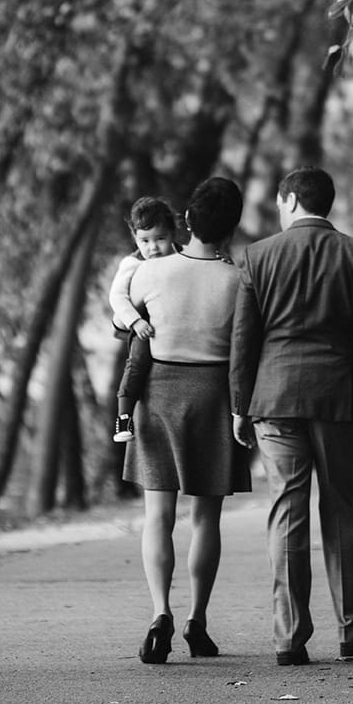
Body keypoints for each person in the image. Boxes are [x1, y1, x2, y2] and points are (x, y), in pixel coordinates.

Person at [229, 165, 353, 666]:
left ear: (288, 201)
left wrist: (240, 406)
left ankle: (289, 638)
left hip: (276, 400)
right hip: (337, 401)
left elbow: (243, 340)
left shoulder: (257, 257)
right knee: (340, 510)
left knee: (287, 513)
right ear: (325, 204)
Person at [119, 176, 251, 664]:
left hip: (159, 396)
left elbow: (122, 324)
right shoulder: (238, 280)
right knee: (206, 518)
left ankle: (160, 614)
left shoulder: (147, 273)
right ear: (230, 226)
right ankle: (197, 620)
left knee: (158, 515)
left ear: (187, 221)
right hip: (215, 396)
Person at [108, 197, 179, 442]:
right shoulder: (132, 263)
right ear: (135, 239)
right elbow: (117, 296)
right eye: (144, 241)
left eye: (160, 239)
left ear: (172, 234)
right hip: (144, 325)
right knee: (138, 361)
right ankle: (124, 416)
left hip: (175, 321)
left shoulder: (181, 257)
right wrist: (135, 322)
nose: (153, 248)